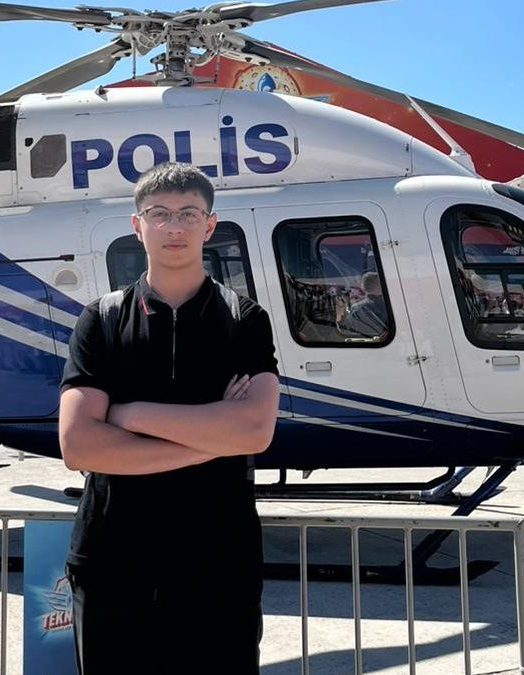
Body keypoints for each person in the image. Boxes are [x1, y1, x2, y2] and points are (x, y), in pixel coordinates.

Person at [58, 163, 280, 675]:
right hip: (112, 561)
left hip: (218, 563)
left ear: (210, 225)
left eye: (188, 214)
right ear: (137, 226)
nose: (173, 227)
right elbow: (80, 447)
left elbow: (254, 431)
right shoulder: (102, 319)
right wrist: (212, 437)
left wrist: (130, 414)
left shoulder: (244, 319)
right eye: (158, 214)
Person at [334, 272, 389, 338]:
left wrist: (341, 310)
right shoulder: (392, 303)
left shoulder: (358, 308)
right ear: (379, 287)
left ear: (363, 287)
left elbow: (343, 329)